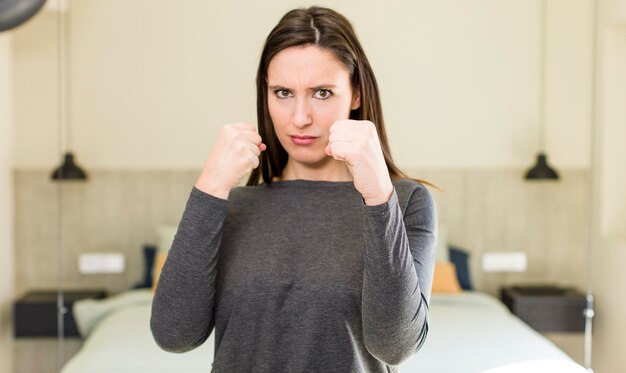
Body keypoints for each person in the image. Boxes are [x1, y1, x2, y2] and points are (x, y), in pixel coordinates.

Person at [151, 6, 437, 373]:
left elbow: (395, 346)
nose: (300, 118)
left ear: (356, 94)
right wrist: (210, 188)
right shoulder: (234, 204)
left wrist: (379, 196)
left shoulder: (405, 201)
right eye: (283, 92)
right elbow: (174, 335)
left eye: (322, 93)